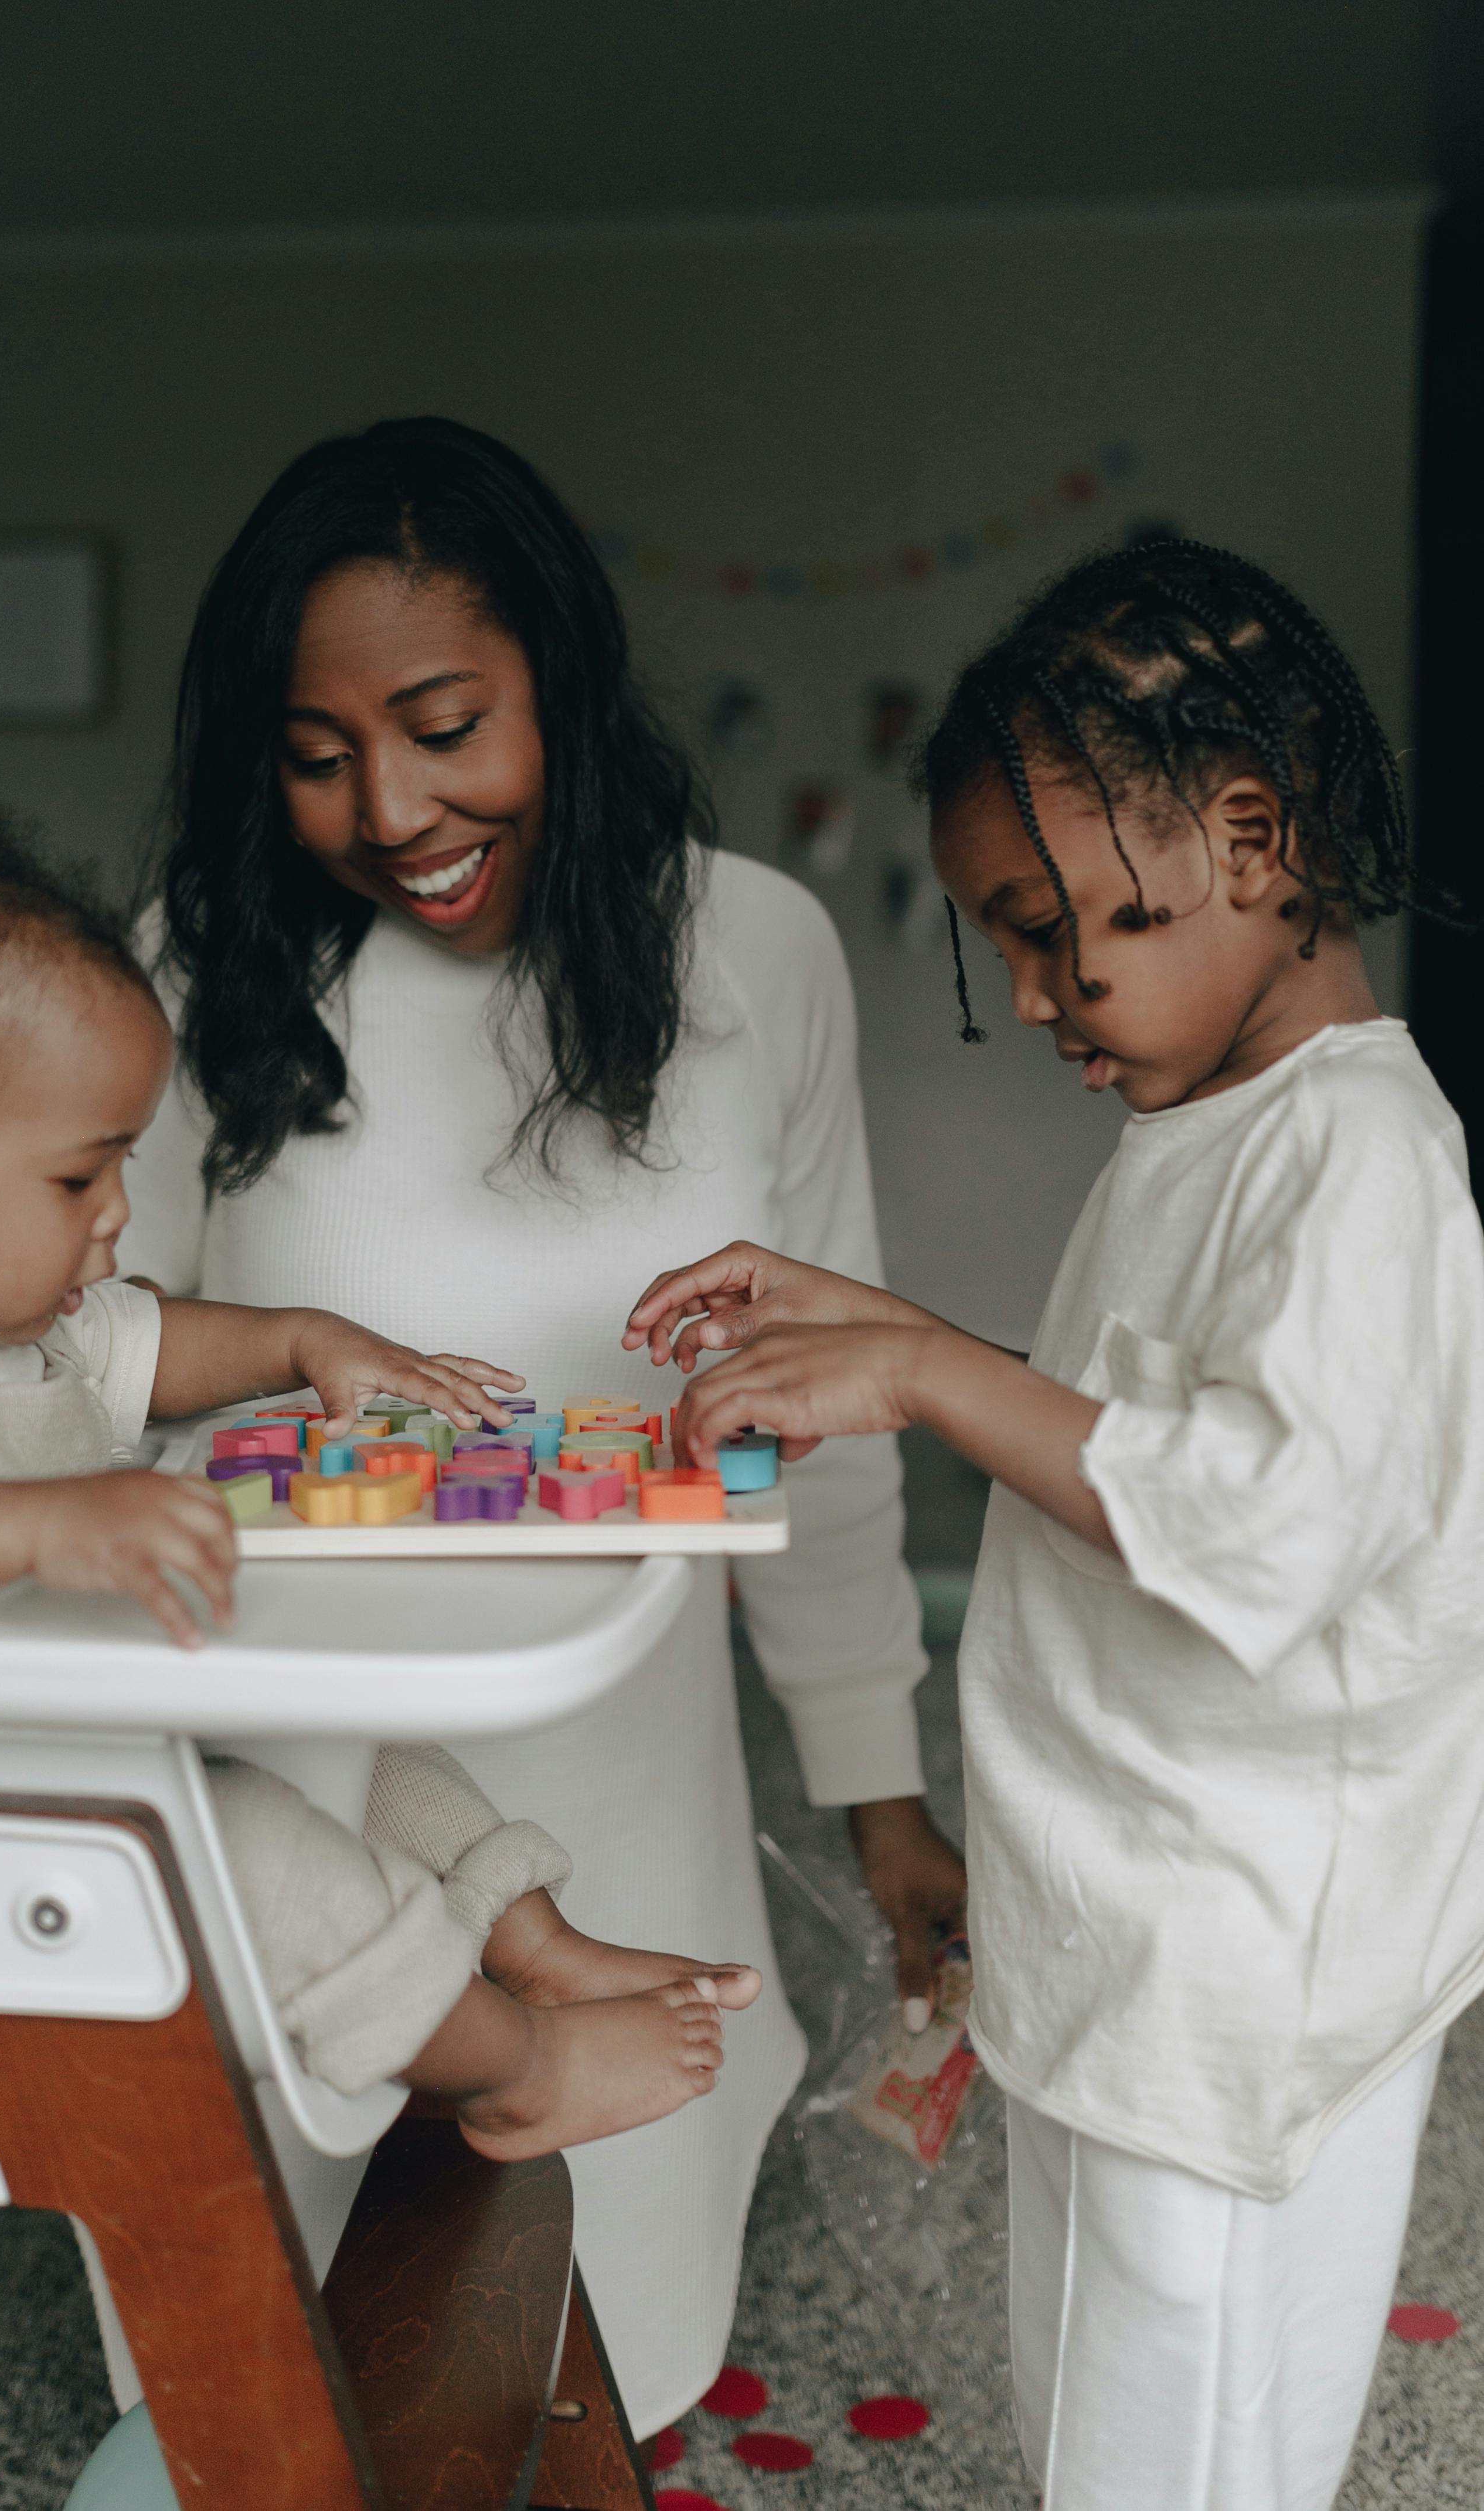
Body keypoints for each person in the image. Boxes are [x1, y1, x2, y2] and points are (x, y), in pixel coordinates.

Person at [121, 414, 963, 2430]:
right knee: (281, 2385)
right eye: (317, 755)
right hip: (293, 1784)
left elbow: (820, 1413)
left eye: (443, 722)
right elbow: (100, 1365)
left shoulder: (753, 953)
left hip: (626, 1788)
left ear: (560, 682)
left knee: (604, 2353)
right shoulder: (197, 964)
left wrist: (875, 1782)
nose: (391, 807)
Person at [626, 538, 1484, 2510]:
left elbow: (1263, 1528)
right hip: (1161, 1908)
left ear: (1251, 837)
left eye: (1043, 930)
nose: (1023, 996)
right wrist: (891, 1327)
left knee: (1161, 2424)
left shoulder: (1357, 1155)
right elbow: (1144, 1434)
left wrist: (923, 1381)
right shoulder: (1222, 1129)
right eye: (996, 945)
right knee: (1141, 2391)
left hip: (1238, 1950)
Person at [0, 808, 764, 2152]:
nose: (113, 1211)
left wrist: (303, 1341)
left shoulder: (11, 1325)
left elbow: (156, 1339)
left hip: (49, 1758)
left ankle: (534, 1938)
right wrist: (42, 1518)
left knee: (356, 1729)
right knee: (264, 1852)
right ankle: (509, 2066)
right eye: (76, 1173)